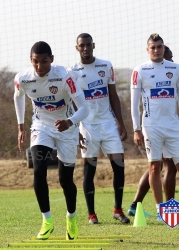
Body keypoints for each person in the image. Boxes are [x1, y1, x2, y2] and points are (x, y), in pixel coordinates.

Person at [14, 41, 89, 240]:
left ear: (52, 60)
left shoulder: (65, 76)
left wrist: (71, 122)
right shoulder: (23, 78)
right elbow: (18, 97)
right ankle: (47, 220)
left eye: (44, 62)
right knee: (39, 170)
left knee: (66, 180)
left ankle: (71, 217)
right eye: (35, 62)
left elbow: (84, 108)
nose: (39, 67)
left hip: (66, 128)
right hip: (41, 126)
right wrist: (21, 126)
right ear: (31, 60)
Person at [130, 33, 179, 219]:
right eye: (152, 47)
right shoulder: (140, 70)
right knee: (154, 167)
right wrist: (136, 128)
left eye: (159, 46)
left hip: (173, 126)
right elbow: (134, 102)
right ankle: (161, 210)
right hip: (151, 125)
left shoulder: (176, 68)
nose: (156, 50)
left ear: (164, 48)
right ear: (147, 50)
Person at [69, 33, 130, 224]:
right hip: (87, 126)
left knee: (119, 166)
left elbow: (113, 96)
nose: (86, 48)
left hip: (109, 124)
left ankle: (118, 210)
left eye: (88, 45)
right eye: (82, 46)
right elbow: (69, 102)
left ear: (93, 45)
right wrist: (75, 128)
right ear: (77, 48)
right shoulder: (71, 71)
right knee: (90, 170)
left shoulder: (106, 66)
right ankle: (91, 214)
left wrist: (120, 123)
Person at [127, 46, 177, 217]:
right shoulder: (146, 72)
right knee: (167, 164)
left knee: (156, 166)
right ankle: (167, 209)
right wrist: (137, 129)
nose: (169, 62)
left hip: (165, 126)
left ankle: (135, 205)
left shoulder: (173, 74)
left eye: (170, 58)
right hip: (155, 127)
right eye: (168, 58)